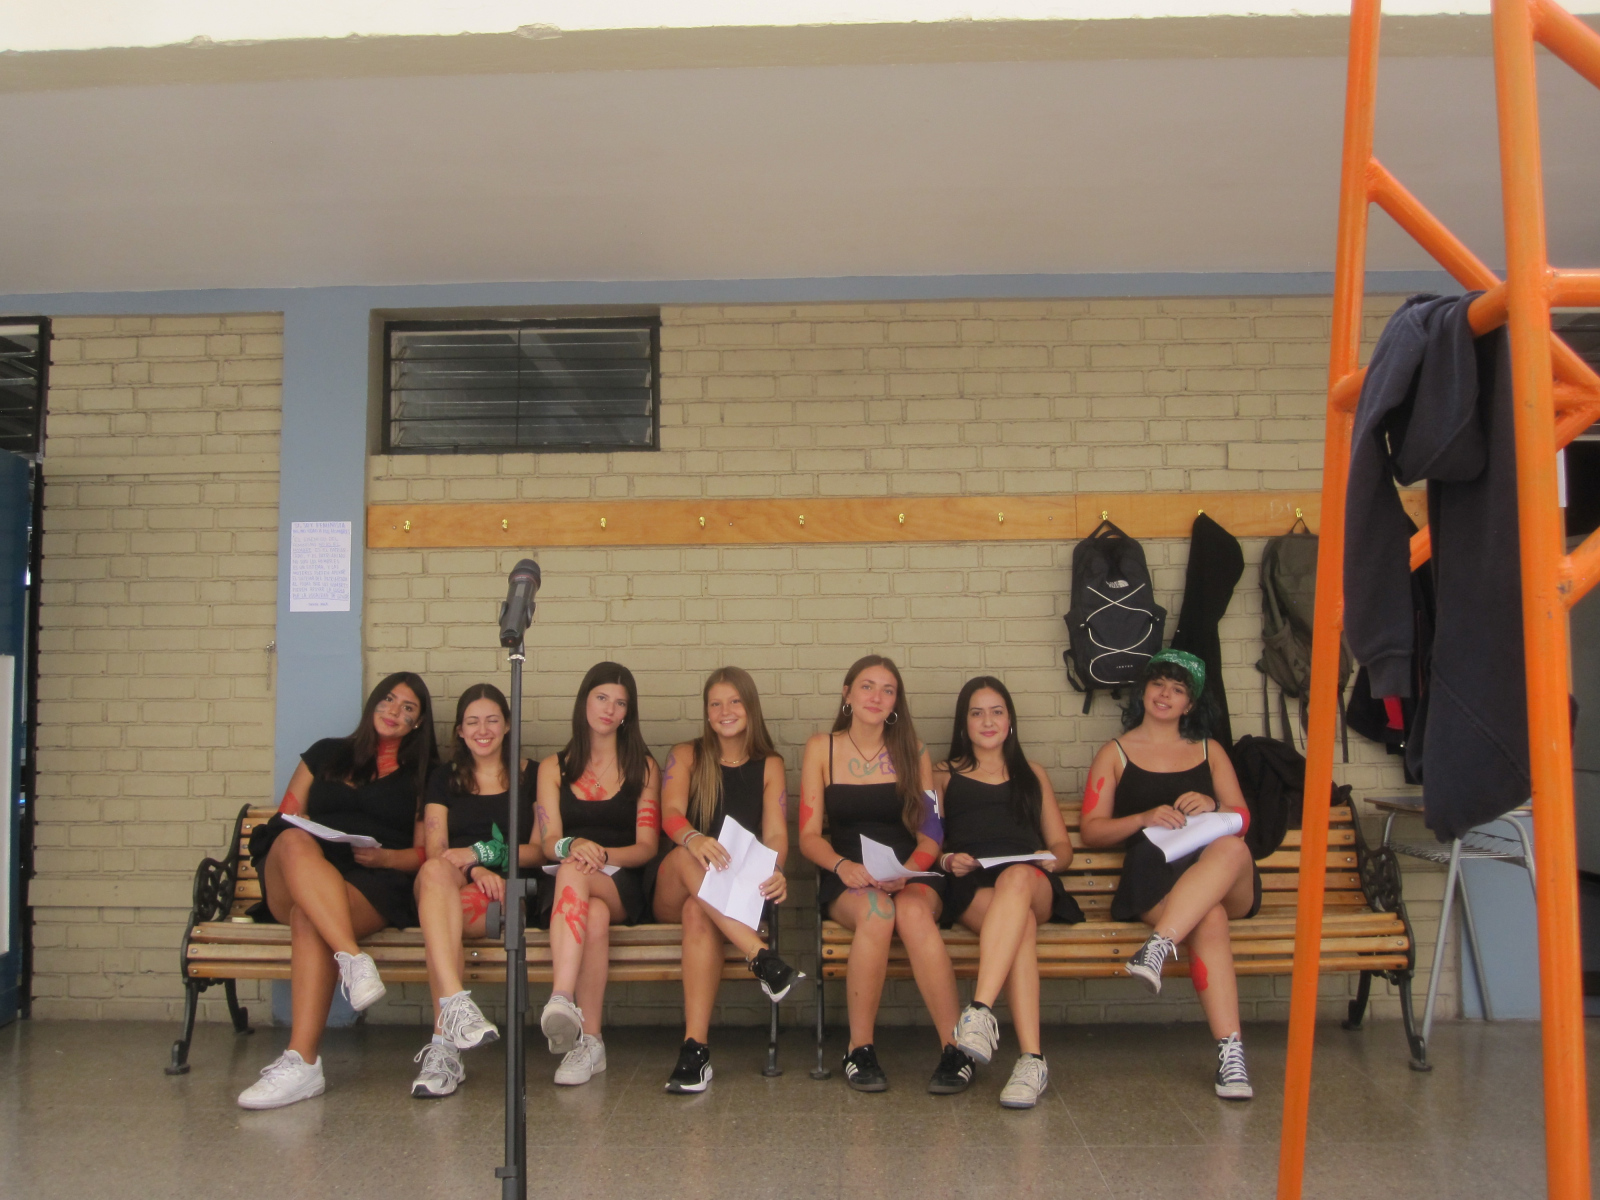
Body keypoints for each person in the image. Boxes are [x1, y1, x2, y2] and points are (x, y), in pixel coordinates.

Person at [237, 672, 437, 1109]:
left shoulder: (422, 776)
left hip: (370, 881)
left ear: (418, 723)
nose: (394, 711)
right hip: (298, 869)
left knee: (310, 917)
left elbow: (425, 852)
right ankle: (352, 957)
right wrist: (311, 831)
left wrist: (386, 859)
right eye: (388, 699)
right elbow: (287, 817)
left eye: (408, 708)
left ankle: (302, 1063)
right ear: (373, 703)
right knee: (293, 839)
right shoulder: (326, 753)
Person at [1079, 649, 1259, 1100]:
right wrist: (1143, 817)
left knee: (1231, 845)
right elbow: (1092, 831)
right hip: (1155, 878)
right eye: (1158, 684)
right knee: (1209, 917)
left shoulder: (1209, 751)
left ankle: (1159, 944)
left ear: (1190, 704)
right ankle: (1231, 1055)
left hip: (1219, 873)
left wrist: (1214, 805)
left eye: (1178, 689)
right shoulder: (1115, 753)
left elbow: (1242, 818)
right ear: (1143, 690)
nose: (1165, 694)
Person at [798, 654, 971, 1094]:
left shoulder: (913, 750)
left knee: (911, 913)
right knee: (877, 913)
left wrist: (908, 872)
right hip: (850, 874)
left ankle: (956, 1049)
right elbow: (809, 837)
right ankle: (859, 1049)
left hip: (909, 870)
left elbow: (932, 833)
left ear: (896, 702)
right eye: (867, 686)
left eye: (888, 690)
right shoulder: (822, 748)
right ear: (847, 694)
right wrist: (843, 866)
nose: (877, 697)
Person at [654, 666, 800, 1094]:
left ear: (750, 707)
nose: (725, 711)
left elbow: (776, 834)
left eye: (735, 701)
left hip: (732, 896)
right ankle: (761, 957)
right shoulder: (686, 755)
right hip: (674, 882)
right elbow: (670, 814)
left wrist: (775, 869)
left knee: (697, 911)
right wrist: (694, 838)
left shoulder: (769, 764)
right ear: (706, 712)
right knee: (686, 859)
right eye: (715, 703)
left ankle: (695, 1051)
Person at [937, 676, 1081, 1110]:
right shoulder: (943, 774)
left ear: (1010, 720)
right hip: (973, 884)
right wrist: (948, 859)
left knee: (1016, 879)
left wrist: (1050, 860)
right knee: (1021, 928)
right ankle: (1032, 1061)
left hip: (1031, 881)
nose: (988, 721)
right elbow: (927, 844)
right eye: (977, 713)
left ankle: (979, 1012)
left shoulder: (1032, 774)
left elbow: (1062, 847)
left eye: (996, 712)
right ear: (963, 724)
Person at [409, 683, 543, 1099]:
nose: (482, 730)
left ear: (507, 725)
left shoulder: (532, 775)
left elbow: (540, 849)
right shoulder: (443, 778)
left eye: (491, 720)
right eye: (472, 722)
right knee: (434, 874)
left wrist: (485, 854)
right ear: (460, 731)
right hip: (451, 883)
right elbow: (437, 851)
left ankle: (443, 1047)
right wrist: (474, 869)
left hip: (508, 892)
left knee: (440, 926)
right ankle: (455, 1006)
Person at [533, 662, 662, 1086]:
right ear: (584, 701)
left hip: (620, 879)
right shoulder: (554, 767)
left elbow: (646, 847)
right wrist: (572, 846)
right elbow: (547, 841)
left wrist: (600, 854)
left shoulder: (643, 768)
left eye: (620, 703)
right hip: (569, 888)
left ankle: (561, 997)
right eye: (602, 698)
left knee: (578, 874)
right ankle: (591, 1043)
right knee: (594, 915)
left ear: (628, 713)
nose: (609, 709)